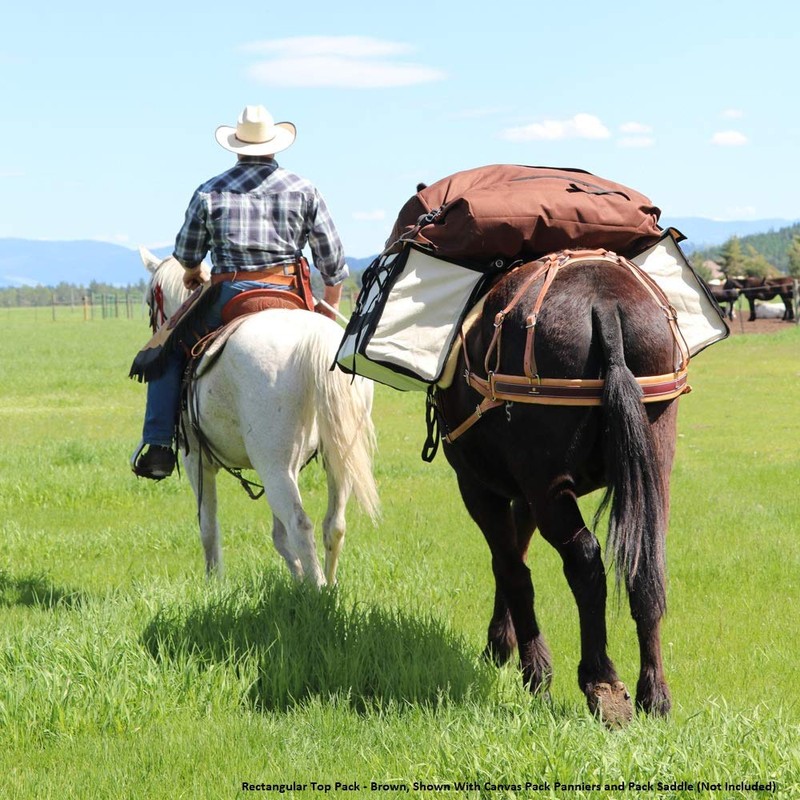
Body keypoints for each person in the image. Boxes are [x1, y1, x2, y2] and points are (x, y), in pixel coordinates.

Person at [132, 104, 348, 480]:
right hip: (291, 292)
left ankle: (159, 443)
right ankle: (339, 439)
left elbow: (187, 253)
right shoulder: (304, 188)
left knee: (165, 352)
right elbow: (332, 263)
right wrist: (329, 308)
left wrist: (190, 273)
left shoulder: (209, 191)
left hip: (231, 293)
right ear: (275, 146)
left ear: (236, 146)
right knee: (341, 358)